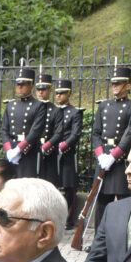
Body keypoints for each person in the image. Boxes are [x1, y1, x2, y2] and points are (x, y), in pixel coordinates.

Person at [92, 66, 131, 230]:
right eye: (113, 83)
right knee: (101, 203)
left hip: (120, 162)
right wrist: (101, 155)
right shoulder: (104, 106)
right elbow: (96, 133)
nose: (115, 86)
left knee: (124, 203)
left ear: (128, 85)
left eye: (119, 83)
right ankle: (99, 238)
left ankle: (121, 237)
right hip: (103, 160)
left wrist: (113, 156)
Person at [0, 67, 45, 180]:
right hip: (11, 151)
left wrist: (18, 150)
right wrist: (9, 150)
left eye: (23, 84)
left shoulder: (38, 105)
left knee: (27, 185)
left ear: (31, 86)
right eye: (18, 84)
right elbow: (4, 129)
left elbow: (35, 131)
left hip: (28, 152)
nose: (19, 87)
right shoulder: (11, 105)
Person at [54, 78, 83, 228]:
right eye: (57, 93)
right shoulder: (53, 111)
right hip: (53, 153)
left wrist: (63, 146)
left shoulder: (74, 112)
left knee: (69, 187)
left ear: (69, 94)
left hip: (67, 154)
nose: (58, 95)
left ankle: (69, 220)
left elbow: (75, 133)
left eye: (62, 93)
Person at [34, 73, 63, 190]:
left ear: (50, 90)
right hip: (33, 150)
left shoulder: (55, 110)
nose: (40, 92)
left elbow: (58, 133)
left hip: (49, 152)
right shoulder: (31, 108)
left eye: (44, 89)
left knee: (48, 186)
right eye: (38, 89)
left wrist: (46, 146)